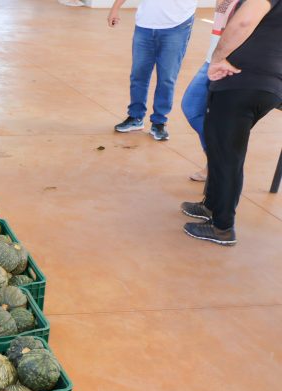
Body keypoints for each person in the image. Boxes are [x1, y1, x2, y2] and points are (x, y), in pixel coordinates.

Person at [181, 0, 282, 245]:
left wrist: (218, 57)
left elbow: (244, 22)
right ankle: (211, 205)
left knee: (227, 153)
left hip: (240, 81)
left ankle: (222, 227)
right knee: (220, 146)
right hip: (265, 84)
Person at [108, 0, 198, 141]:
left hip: (177, 25)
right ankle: (135, 116)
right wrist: (115, 8)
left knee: (167, 78)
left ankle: (159, 122)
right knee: (138, 75)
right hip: (145, 25)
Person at [181, 0, 242, 182]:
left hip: (229, 64)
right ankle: (217, 161)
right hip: (213, 60)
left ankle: (219, 163)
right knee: (192, 108)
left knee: (203, 111)